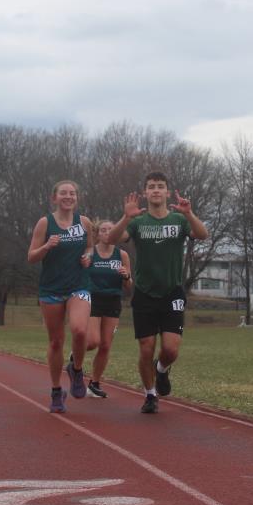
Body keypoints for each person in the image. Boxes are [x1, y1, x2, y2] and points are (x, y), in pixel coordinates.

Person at [107, 171, 208, 413]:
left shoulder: (179, 220)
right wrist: (125, 216)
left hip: (172, 292)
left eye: (160, 186)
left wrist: (189, 213)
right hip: (144, 293)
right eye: (151, 186)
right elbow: (111, 239)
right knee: (146, 347)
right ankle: (150, 394)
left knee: (171, 349)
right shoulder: (138, 222)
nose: (155, 190)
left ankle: (161, 369)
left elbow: (202, 235)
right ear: (145, 192)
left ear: (167, 192)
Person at [27, 179, 94, 413]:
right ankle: (56, 390)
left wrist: (88, 256)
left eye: (72, 193)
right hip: (52, 289)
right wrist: (46, 247)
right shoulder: (45, 223)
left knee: (80, 330)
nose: (68, 196)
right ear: (54, 198)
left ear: (77, 198)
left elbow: (90, 247)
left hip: (78, 286)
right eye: (63, 193)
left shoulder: (84, 222)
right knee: (56, 342)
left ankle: (76, 369)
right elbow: (31, 257)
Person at [84, 220, 133, 398]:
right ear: (97, 234)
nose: (107, 233)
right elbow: (79, 274)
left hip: (113, 300)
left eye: (110, 230)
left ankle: (94, 383)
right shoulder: (90, 252)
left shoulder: (122, 255)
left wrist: (126, 276)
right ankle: (76, 353)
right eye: (103, 230)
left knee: (105, 345)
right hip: (92, 298)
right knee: (92, 342)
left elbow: (129, 285)